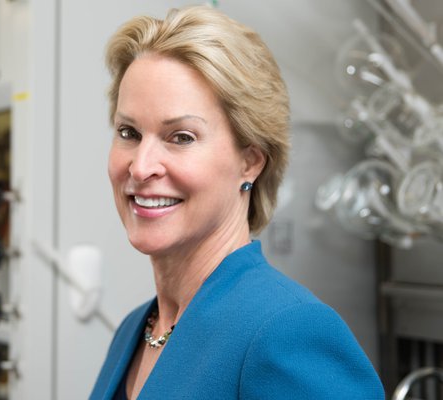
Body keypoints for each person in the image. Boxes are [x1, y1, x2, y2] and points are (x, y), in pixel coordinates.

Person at [90, 6, 384, 400]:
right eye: (129, 132)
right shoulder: (135, 329)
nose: (141, 167)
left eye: (181, 137)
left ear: (251, 161)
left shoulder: (290, 331)